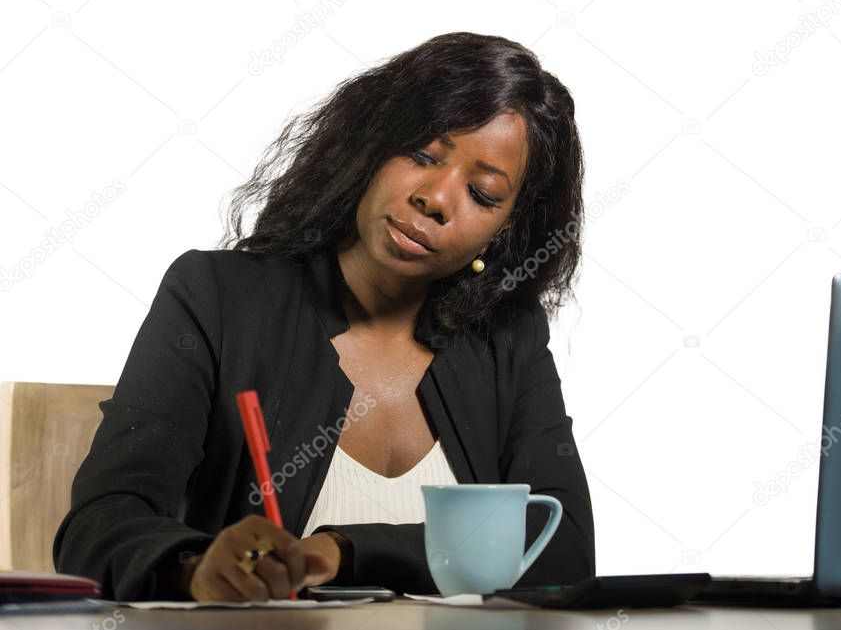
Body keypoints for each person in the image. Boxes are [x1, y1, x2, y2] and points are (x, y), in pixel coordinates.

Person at [53, 31, 594, 601]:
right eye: (421, 155)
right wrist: (196, 568)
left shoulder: (507, 339)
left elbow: (564, 547)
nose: (435, 198)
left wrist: (338, 551)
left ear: (507, 227)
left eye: (482, 194)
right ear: (371, 144)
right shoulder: (218, 299)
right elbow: (101, 525)